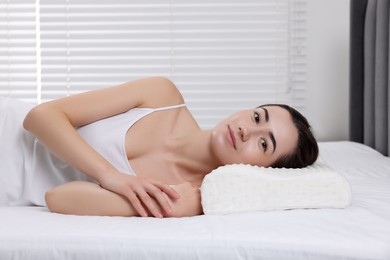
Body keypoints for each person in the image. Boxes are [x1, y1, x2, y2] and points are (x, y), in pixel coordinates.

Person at [1, 77, 318, 218]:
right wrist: (112, 176)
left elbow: (57, 197)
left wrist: (169, 207)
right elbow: (40, 116)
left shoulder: (185, 194)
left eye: (264, 142)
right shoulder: (162, 97)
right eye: (256, 116)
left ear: (263, 171)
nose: (245, 129)